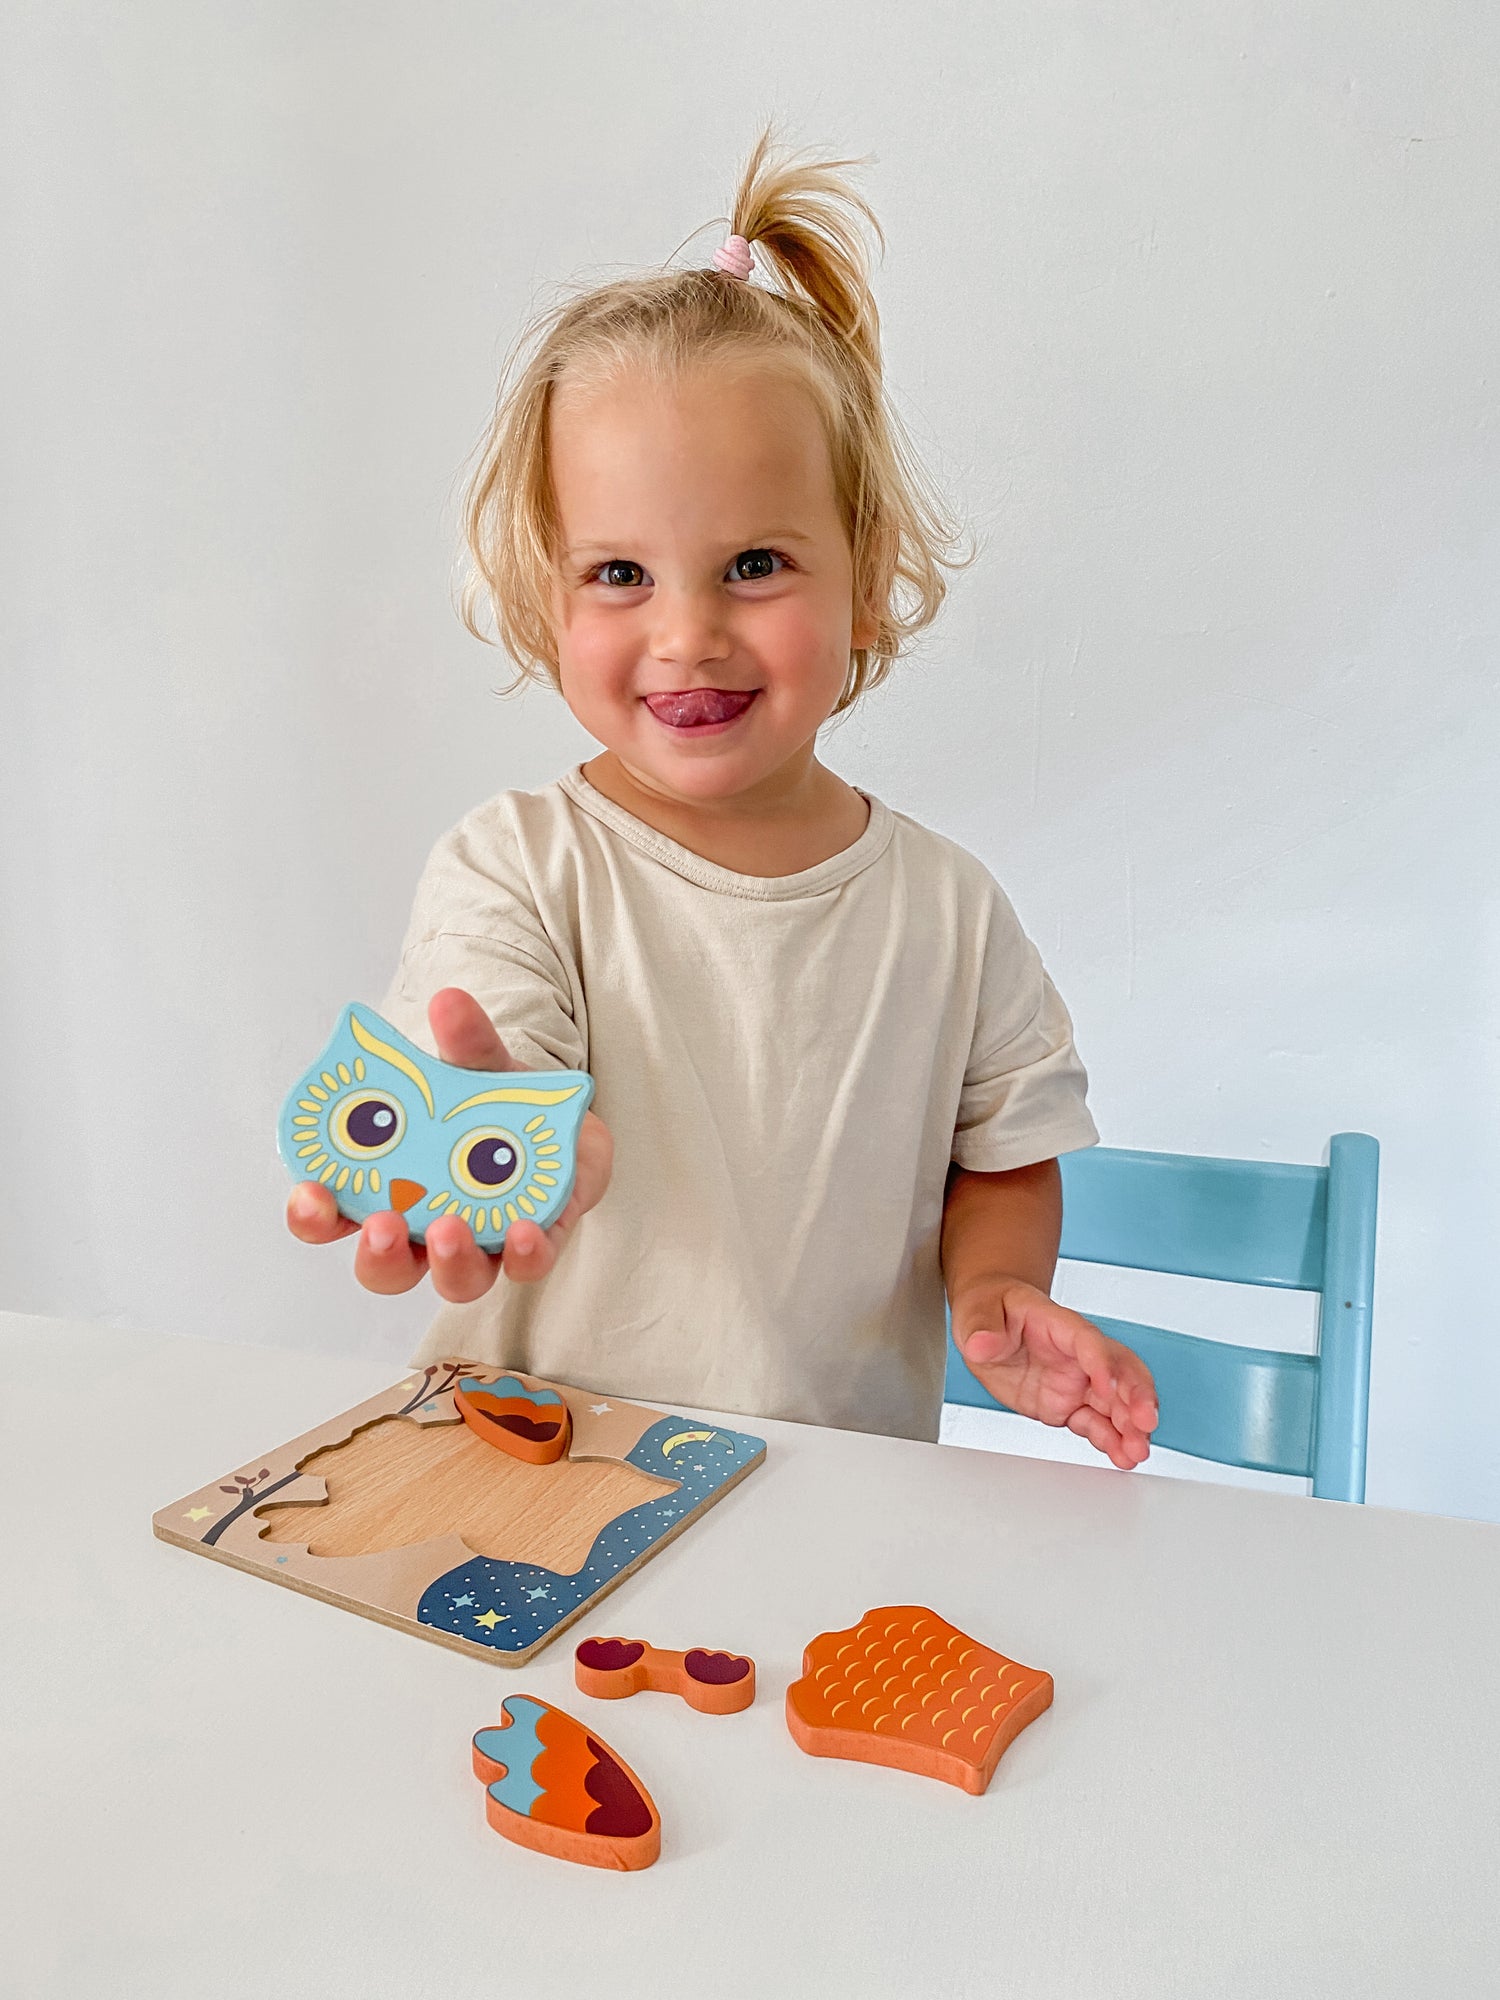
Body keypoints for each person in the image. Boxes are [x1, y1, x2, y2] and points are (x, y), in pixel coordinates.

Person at [287, 125, 1159, 1470]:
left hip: (830, 1504)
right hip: (531, 1477)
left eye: (753, 562)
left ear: (865, 579)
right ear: (546, 596)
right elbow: (488, 1030)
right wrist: (501, 1117)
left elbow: (1002, 1154)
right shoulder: (517, 865)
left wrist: (995, 1292)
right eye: (620, 574)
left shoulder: (948, 909)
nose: (686, 634)